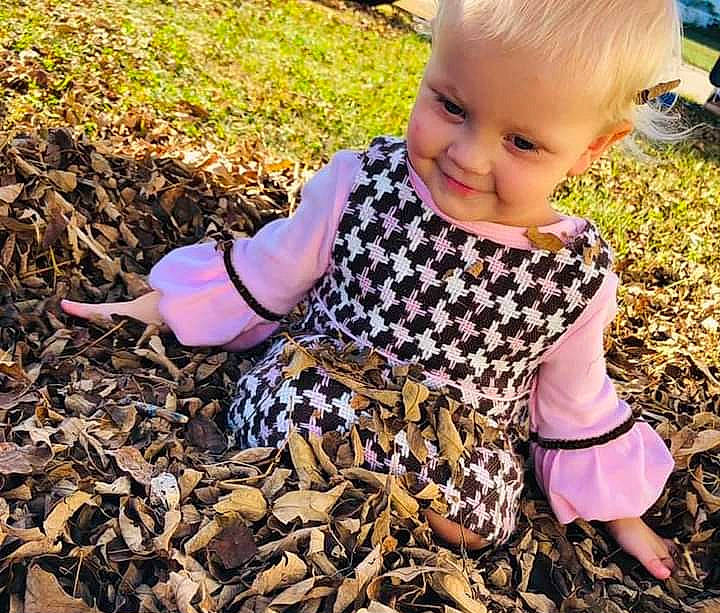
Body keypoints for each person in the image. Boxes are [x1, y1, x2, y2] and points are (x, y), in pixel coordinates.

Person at [62, 0, 684, 579]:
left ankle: (384, 552)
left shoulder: (573, 276)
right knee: (306, 418)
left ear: (594, 146)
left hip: (456, 442)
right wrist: (159, 308)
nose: (468, 156)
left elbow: (575, 405)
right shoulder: (363, 185)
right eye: (451, 107)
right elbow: (268, 271)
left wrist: (618, 511)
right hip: (326, 381)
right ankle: (312, 523)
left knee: (465, 511)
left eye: (521, 142)